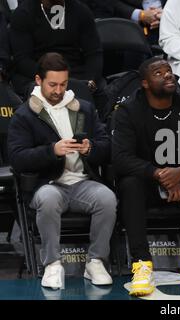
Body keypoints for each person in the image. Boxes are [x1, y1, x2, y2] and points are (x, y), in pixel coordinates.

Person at [112, 57, 180, 296]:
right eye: (158, 73)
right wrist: (159, 174)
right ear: (144, 83)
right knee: (129, 184)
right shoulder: (128, 110)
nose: (167, 76)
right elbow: (121, 158)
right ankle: (142, 265)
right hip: (147, 181)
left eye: (169, 71)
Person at [7, 52, 117, 289]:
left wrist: (90, 148)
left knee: (107, 198)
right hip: (46, 184)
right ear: (38, 80)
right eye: (52, 84)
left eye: (63, 84)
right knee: (47, 199)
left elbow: (106, 145)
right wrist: (51, 151)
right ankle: (52, 264)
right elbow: (17, 158)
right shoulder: (25, 115)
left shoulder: (83, 109)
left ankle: (96, 261)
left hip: (82, 182)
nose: (58, 90)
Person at [9, 0, 107, 116]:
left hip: (75, 72)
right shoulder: (24, 13)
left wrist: (91, 79)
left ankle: (87, 131)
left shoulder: (81, 10)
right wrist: (50, 78)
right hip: (38, 74)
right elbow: (22, 59)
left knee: (97, 90)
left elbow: (94, 52)